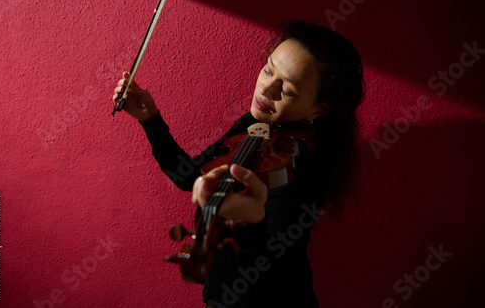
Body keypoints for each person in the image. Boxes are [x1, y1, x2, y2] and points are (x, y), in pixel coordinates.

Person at [112, 20, 364, 307]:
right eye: (268, 69)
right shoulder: (255, 123)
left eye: (289, 90)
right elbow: (190, 176)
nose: (266, 90)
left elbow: (264, 280)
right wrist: (151, 120)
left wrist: (251, 222)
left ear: (320, 108)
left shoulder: (304, 169)